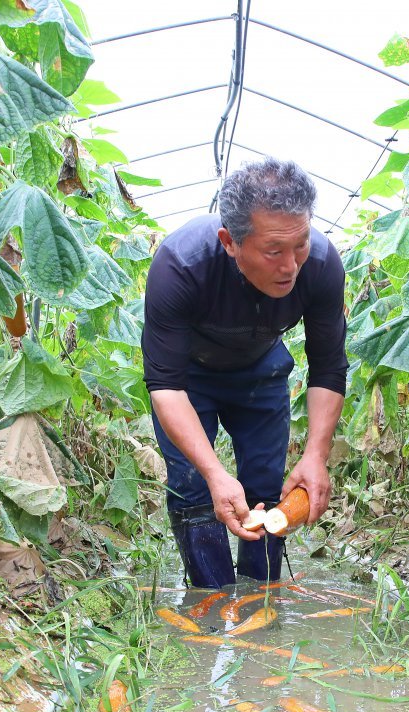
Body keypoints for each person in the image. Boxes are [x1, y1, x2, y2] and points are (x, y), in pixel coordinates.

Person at [141, 158, 348, 588]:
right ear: (230, 242)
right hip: (189, 382)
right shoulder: (180, 265)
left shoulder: (322, 265)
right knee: (195, 490)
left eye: (301, 244)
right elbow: (165, 386)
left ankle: (262, 598)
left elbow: (328, 367)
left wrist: (315, 455)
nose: (291, 265)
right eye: (274, 251)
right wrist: (216, 473)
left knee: (265, 488)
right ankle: (212, 604)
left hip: (261, 373)